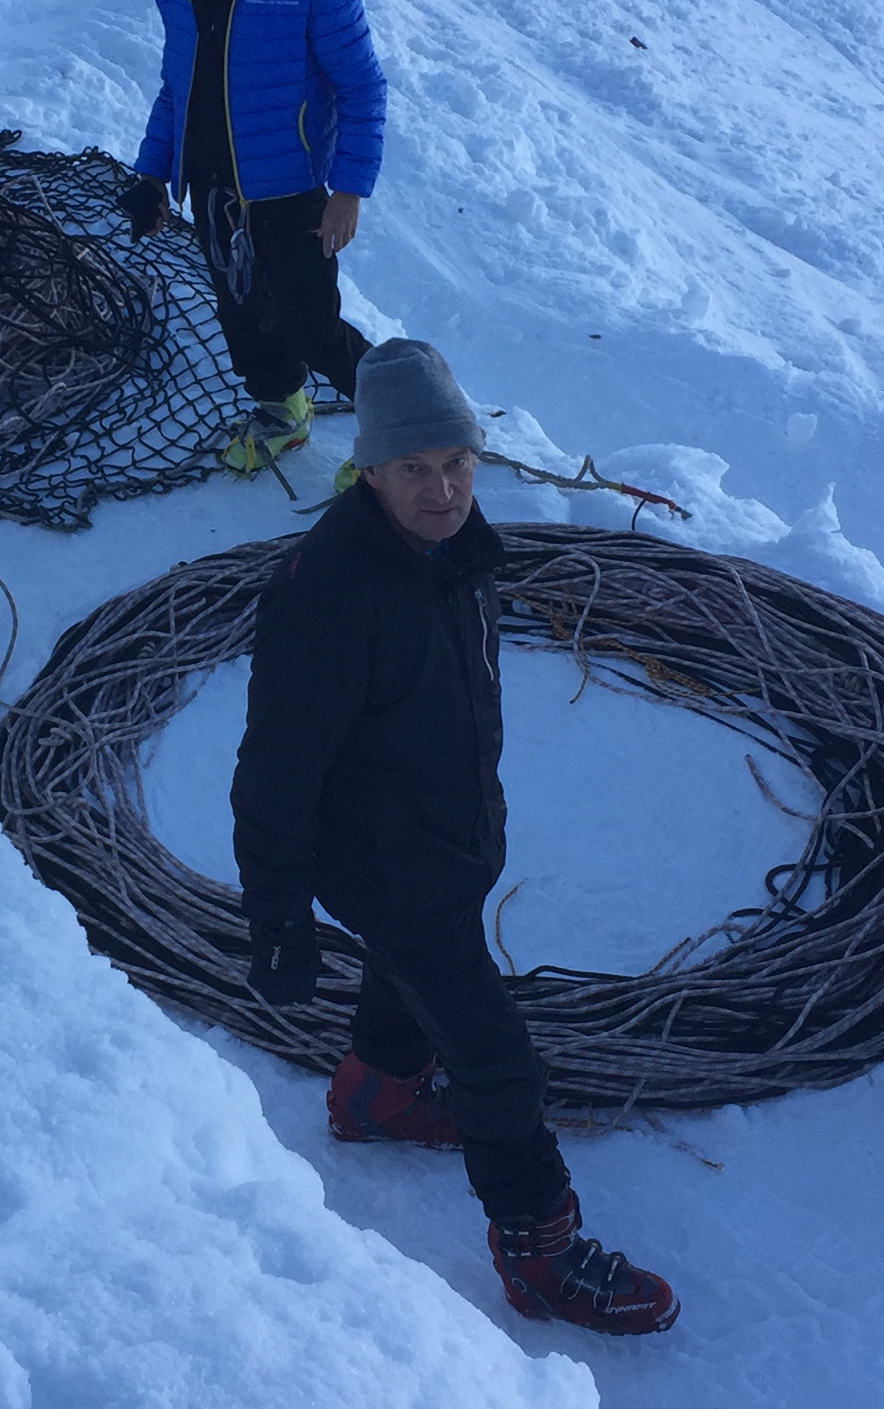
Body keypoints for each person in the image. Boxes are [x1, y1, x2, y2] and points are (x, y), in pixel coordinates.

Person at [234, 338, 678, 1336]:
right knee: (497, 1061)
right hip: (388, 865)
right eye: (414, 469)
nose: (442, 490)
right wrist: (278, 919)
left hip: (449, 836)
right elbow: (275, 771)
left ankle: (378, 1095)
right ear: (370, 470)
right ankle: (541, 1256)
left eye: (457, 463)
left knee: (412, 972)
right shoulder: (329, 593)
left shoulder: (459, 549)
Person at [122, 0, 387, 475]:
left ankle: (398, 434)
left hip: (289, 189)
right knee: (243, 316)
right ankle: (282, 411)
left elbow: (361, 86)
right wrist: (152, 176)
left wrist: (349, 190)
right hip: (212, 188)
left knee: (315, 326)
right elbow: (177, 90)